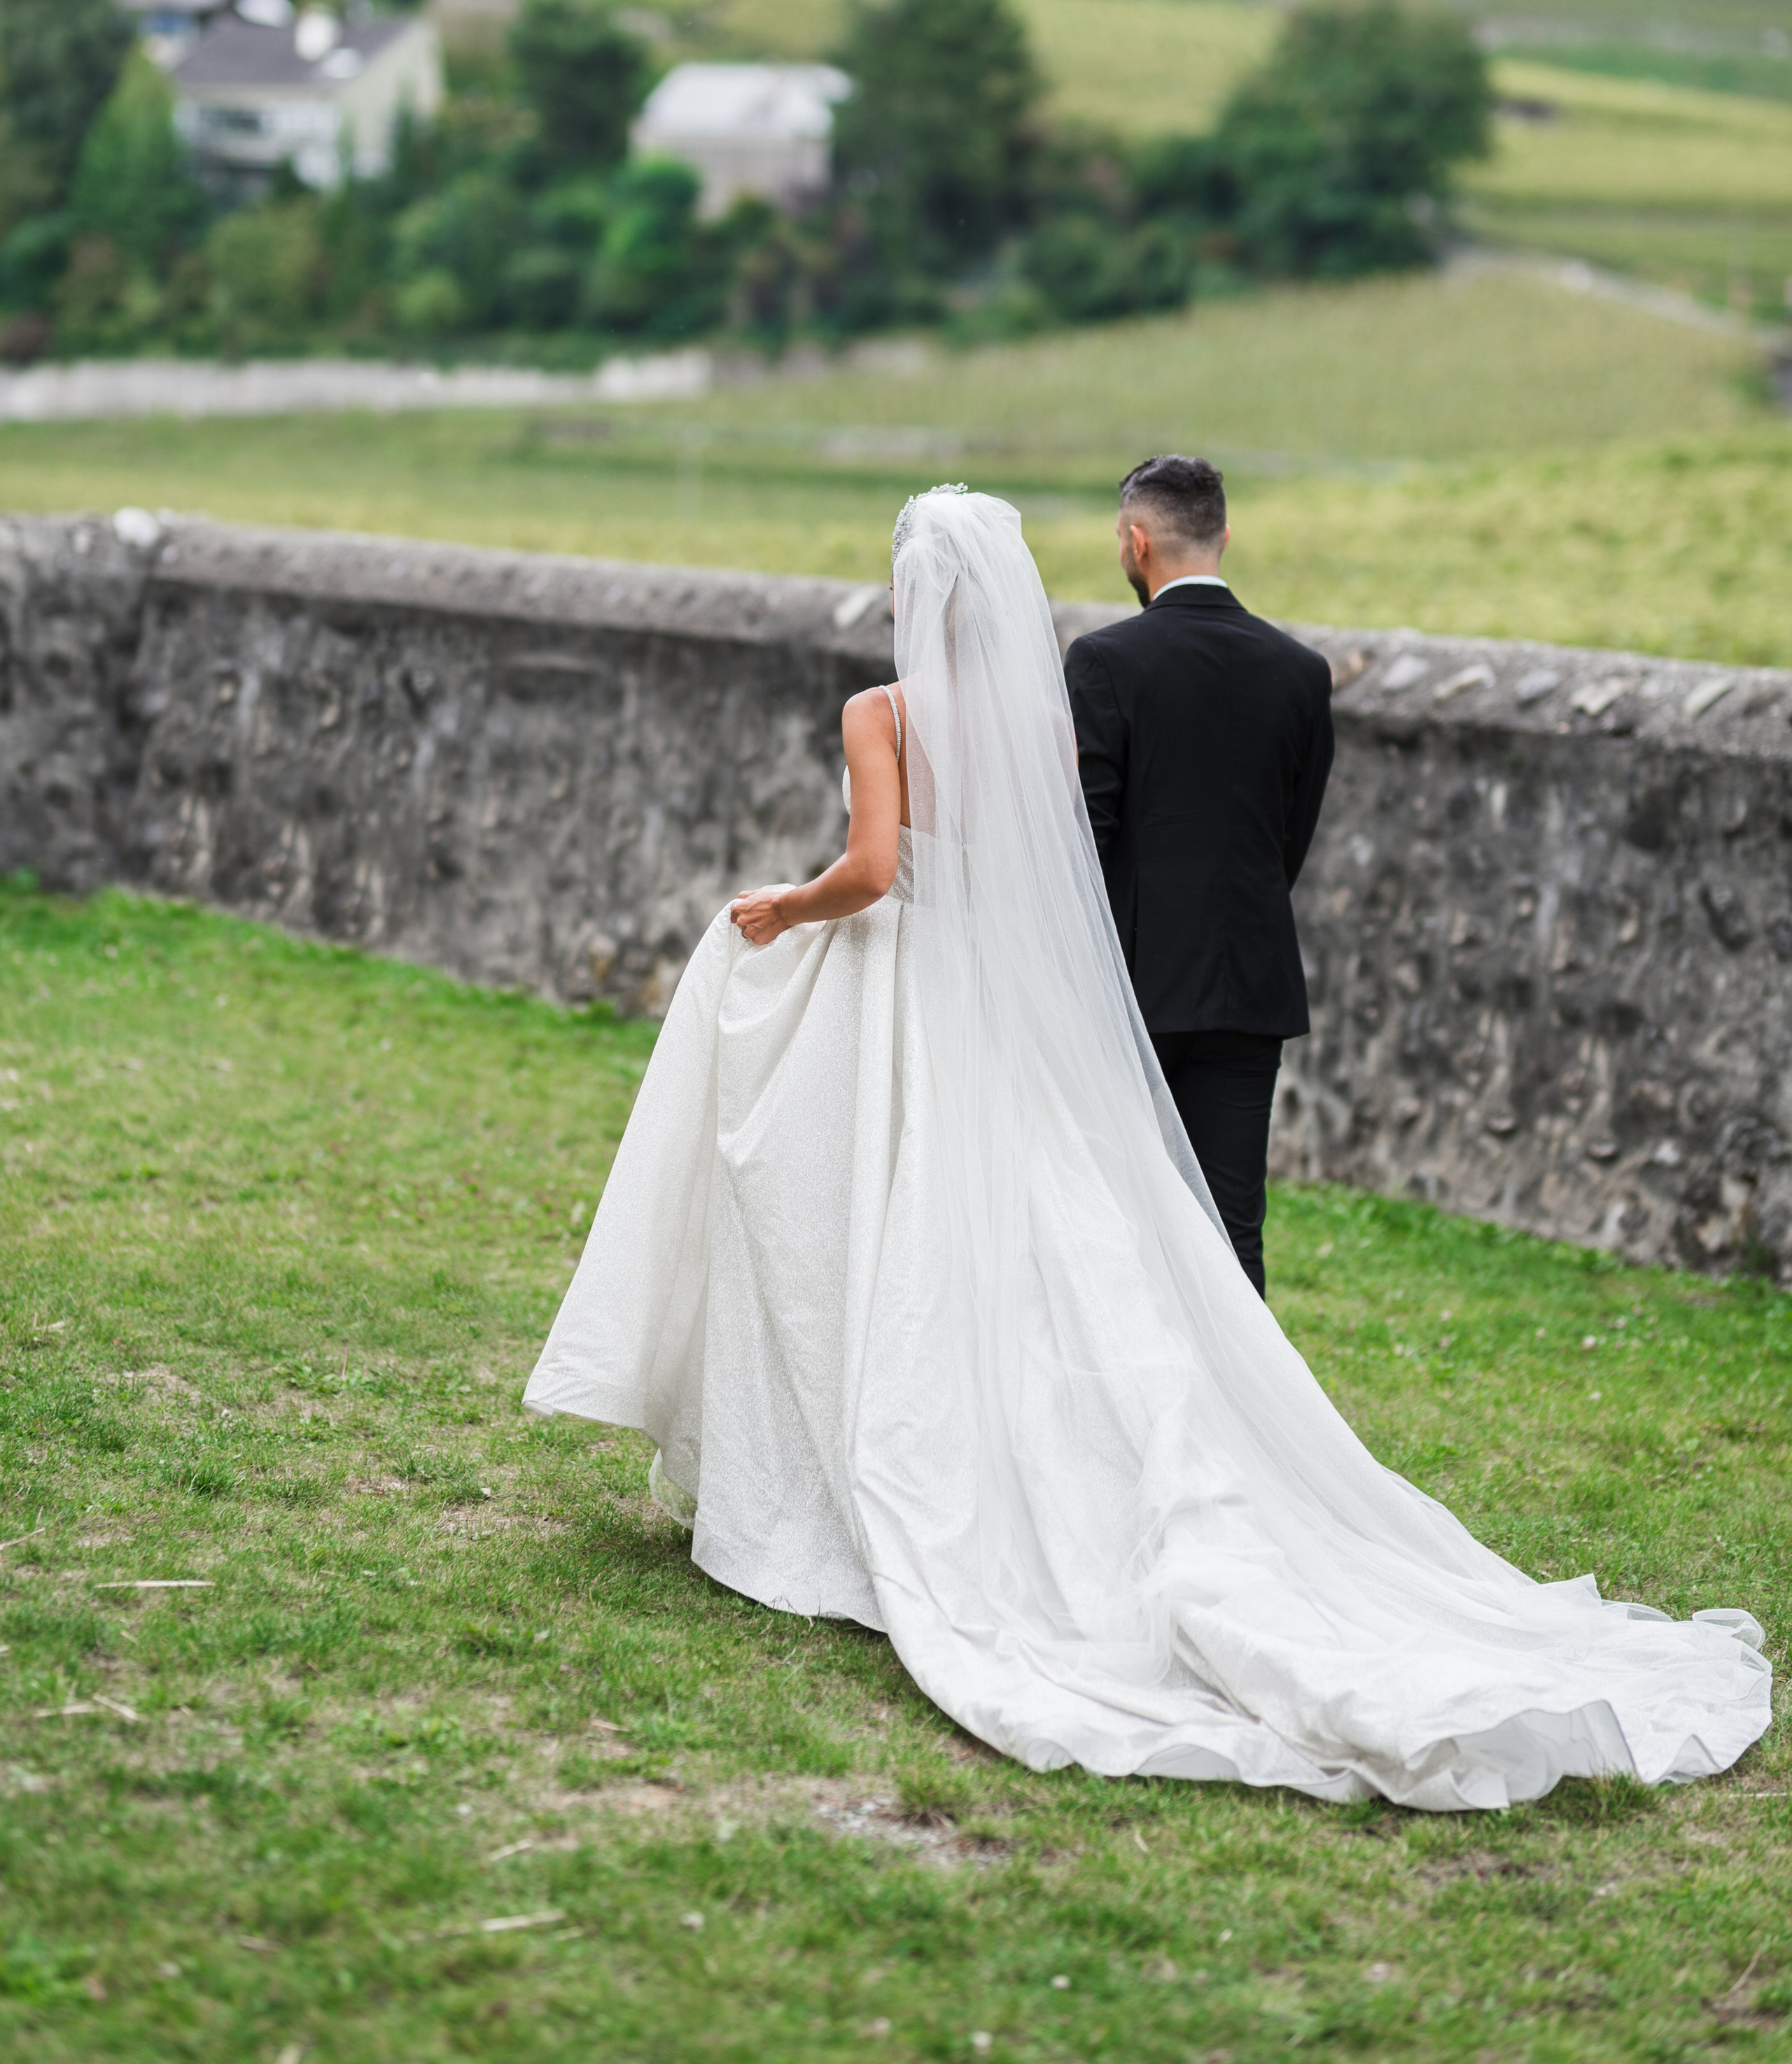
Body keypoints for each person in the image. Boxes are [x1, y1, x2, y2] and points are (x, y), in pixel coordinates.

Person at [524, 486, 1768, 1809]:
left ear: (914, 587)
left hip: (911, 986)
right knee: (1078, 1230)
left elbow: (876, 868)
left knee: (898, 1212)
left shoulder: (879, 712)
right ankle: (1169, 1435)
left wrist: (784, 903)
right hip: (1018, 1001)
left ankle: (891, 1461)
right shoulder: (1043, 719)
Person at [1065, 455, 1332, 1296]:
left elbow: (1087, 841)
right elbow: (1288, 839)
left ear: (1136, 542)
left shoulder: (1104, 662)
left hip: (1130, 989)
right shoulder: (1300, 671)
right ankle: (1240, 1425)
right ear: (1225, 535)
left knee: (1116, 1221)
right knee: (1229, 1230)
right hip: (1248, 983)